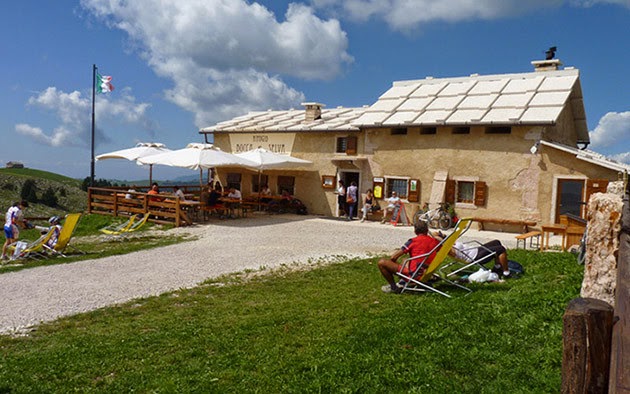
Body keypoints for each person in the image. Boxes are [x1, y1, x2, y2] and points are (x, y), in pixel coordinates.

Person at [377, 220, 440, 293]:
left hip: (414, 275)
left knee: (382, 263)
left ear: (415, 231)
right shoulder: (435, 242)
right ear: (427, 230)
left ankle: (394, 287)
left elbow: (393, 257)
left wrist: (394, 268)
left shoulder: (413, 241)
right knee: (405, 260)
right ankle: (404, 280)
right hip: (426, 272)